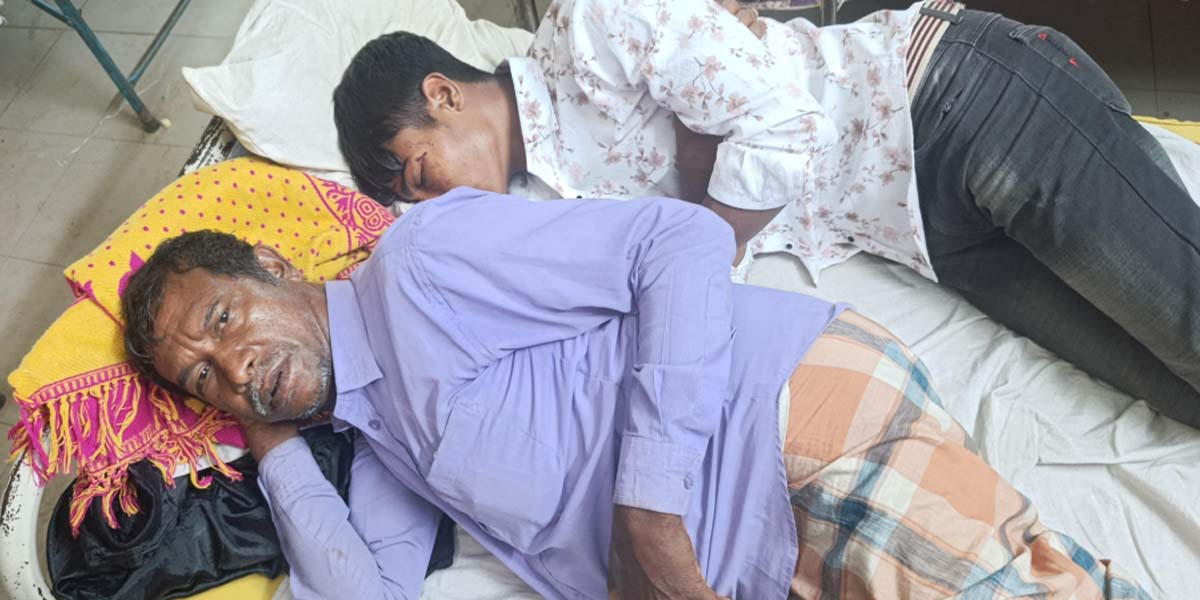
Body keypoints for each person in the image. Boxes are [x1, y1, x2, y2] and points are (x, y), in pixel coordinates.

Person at [121, 188, 1148, 598]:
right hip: (749, 562)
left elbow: (678, 240)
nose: (234, 366)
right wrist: (273, 447)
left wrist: (649, 516)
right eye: (202, 376)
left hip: (780, 432)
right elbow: (365, 594)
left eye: (225, 321)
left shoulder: (419, 267)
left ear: (273, 267)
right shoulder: (378, 437)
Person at [332, 0, 1200, 427]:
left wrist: (697, 247)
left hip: (952, 102)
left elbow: (782, 124)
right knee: (1172, 390)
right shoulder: (542, 210)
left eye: (422, 173)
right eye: (415, 203)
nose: (439, 203)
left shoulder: (586, 28)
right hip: (924, 232)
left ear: (443, 94)